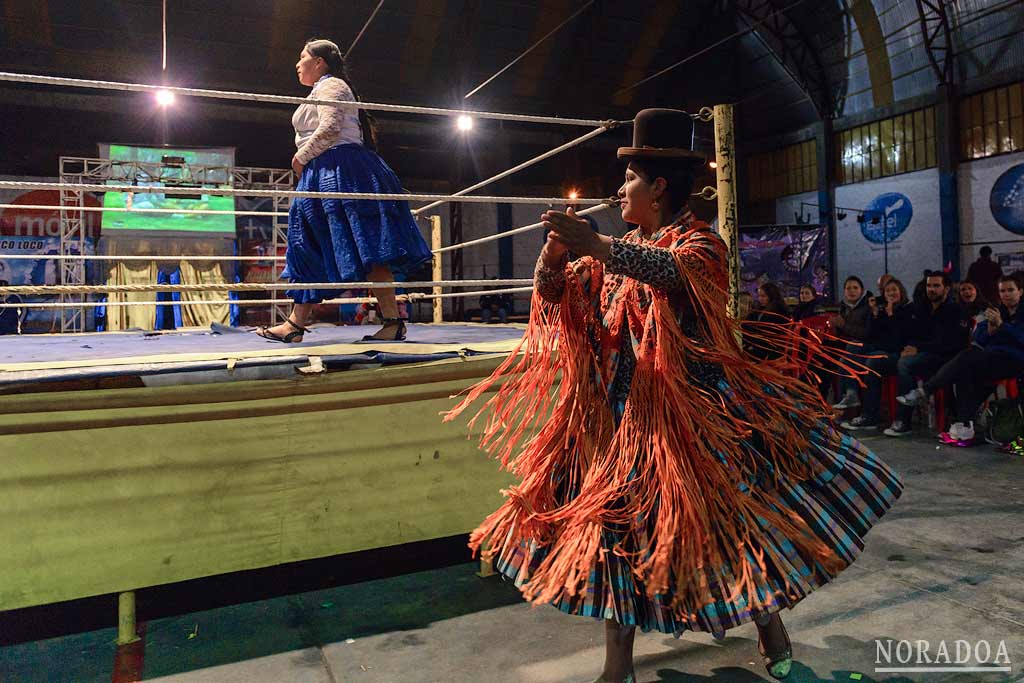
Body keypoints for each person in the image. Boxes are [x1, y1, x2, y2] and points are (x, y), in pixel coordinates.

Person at [444, 109, 902, 683]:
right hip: (622, 423)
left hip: (694, 425)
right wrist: (553, 257)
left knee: (729, 531)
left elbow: (672, 273)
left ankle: (770, 628)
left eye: (629, 177)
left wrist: (599, 244)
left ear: (658, 187)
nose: (620, 188)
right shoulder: (614, 250)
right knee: (618, 534)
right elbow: (555, 294)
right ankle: (618, 669)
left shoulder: (699, 245)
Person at [256, 38, 432, 343]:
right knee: (307, 243)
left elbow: (331, 127)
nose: (297, 64)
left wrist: (300, 157)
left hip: (341, 170)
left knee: (368, 245)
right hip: (325, 172)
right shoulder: (320, 90)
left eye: (302, 57)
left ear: (319, 62)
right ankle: (296, 323)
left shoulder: (332, 85)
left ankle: (391, 321)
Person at [898, 275, 1024, 444]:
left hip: (1016, 361)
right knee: (965, 369)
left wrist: (1003, 326)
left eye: (1010, 290)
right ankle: (964, 426)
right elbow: (978, 339)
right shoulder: (995, 311)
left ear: (1020, 291)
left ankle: (926, 391)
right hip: (992, 358)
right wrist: (990, 331)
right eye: (1002, 290)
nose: (1006, 294)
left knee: (967, 358)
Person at [884, 271, 962, 437]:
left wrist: (917, 348)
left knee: (905, 364)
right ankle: (870, 414)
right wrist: (911, 346)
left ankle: (903, 420)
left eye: (936, 286)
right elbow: (913, 333)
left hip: (944, 357)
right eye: (929, 285)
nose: (931, 289)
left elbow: (948, 343)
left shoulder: (954, 310)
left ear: (946, 288)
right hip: (923, 353)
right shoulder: (923, 308)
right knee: (877, 361)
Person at [840, 278, 914, 429]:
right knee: (851, 350)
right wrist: (875, 314)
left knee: (871, 362)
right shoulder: (883, 309)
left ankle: (870, 415)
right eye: (887, 291)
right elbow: (874, 334)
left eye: (894, 290)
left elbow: (898, 339)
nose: (891, 293)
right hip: (882, 348)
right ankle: (851, 393)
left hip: (897, 352)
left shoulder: (907, 309)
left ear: (901, 291)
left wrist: (891, 315)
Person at [743, 281, 790, 360]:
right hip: (759, 344)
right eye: (759, 296)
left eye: (763, 296)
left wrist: (753, 344)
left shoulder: (778, 311)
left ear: (771, 296)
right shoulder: (761, 309)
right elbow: (748, 324)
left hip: (770, 349)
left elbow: (770, 334)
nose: (760, 299)